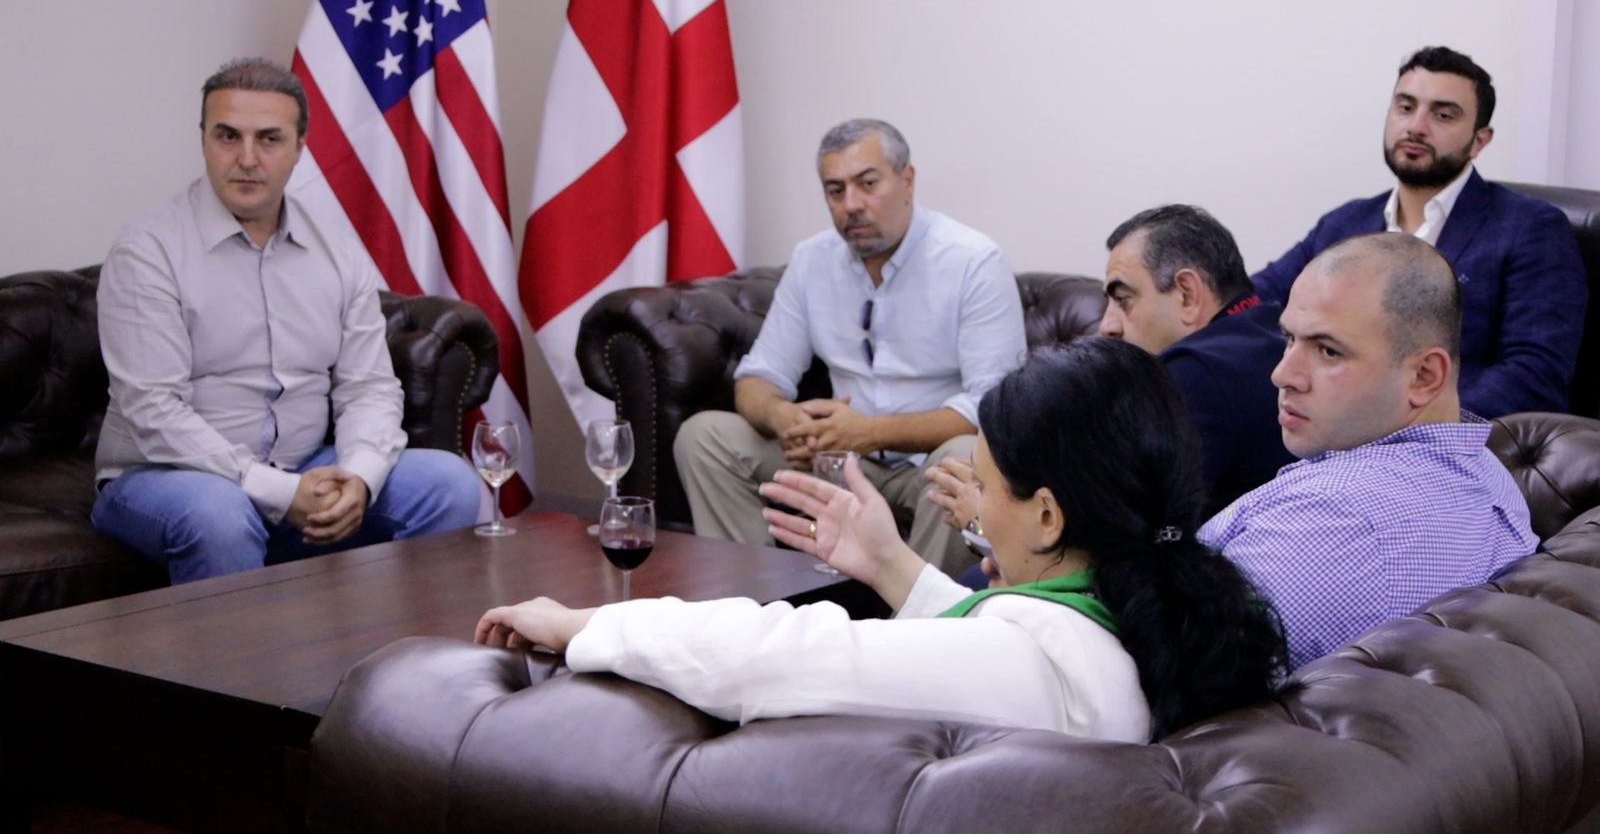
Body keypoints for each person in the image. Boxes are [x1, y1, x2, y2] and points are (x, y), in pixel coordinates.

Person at [478, 339, 1287, 742]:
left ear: (1048, 517)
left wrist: (591, 624)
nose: (977, 506)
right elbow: (995, 648)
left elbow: (777, 655)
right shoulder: (1184, 611)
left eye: (986, 484)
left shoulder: (1044, 666)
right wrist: (889, 564)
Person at [92, 58, 482, 585]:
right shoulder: (148, 251)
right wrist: (278, 491)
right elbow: (153, 410)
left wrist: (359, 478)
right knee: (219, 515)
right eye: (228, 136)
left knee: (448, 483)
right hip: (164, 477)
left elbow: (368, 387)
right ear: (203, 139)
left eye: (269, 139)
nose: (247, 159)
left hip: (303, 465)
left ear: (299, 147)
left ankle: (393, 639)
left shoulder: (336, 250)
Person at [673, 119, 1026, 575]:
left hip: (924, 466)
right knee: (705, 437)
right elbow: (759, 376)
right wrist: (786, 420)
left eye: (868, 184)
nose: (852, 205)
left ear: (907, 180)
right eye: (835, 190)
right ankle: (756, 600)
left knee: (964, 456)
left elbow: (994, 408)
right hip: (835, 459)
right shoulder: (812, 259)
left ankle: (917, 613)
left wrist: (869, 432)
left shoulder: (973, 262)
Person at [1203, 232, 1538, 670]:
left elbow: (1150, 672)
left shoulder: (1331, 523)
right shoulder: (1486, 474)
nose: (1283, 375)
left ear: (1424, 376)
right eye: (1289, 339)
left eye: (1328, 351)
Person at [1252, 45, 1586, 418]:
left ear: (1480, 140)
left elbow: (1534, 374)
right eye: (1406, 107)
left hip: (1449, 438)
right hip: (1325, 426)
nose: (1416, 127)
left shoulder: (1530, 229)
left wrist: (1413, 428)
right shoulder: (1346, 223)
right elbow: (1253, 302)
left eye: (1443, 115)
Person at [928, 205, 1293, 535]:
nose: (1107, 326)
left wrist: (986, 522)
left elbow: (1119, 538)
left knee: (976, 573)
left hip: (1186, 578)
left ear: (1186, 294)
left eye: (1123, 300)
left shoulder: (1194, 372)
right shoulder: (1269, 336)